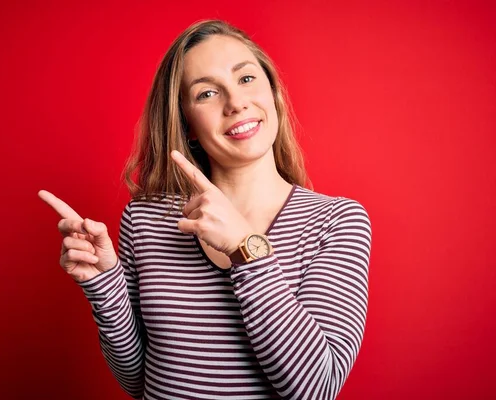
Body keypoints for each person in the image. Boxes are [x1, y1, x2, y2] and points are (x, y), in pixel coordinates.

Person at [39, 19, 372, 400]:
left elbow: (316, 389)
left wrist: (245, 248)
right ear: (189, 126)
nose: (235, 102)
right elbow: (138, 381)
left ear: (273, 92)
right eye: (206, 94)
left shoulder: (337, 221)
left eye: (246, 79)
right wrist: (104, 286)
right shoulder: (145, 219)